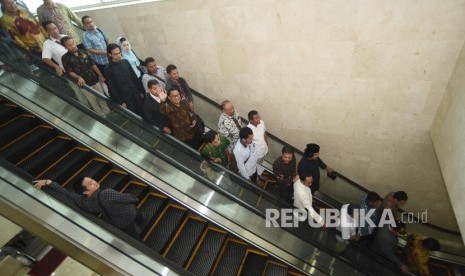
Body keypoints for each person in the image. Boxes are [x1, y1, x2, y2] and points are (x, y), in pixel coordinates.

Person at [33, 177, 140, 239]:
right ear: (85, 191)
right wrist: (134, 199)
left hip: (119, 223)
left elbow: (67, 193)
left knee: (133, 237)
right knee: (139, 221)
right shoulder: (107, 193)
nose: (94, 182)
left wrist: (49, 183)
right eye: (90, 184)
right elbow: (125, 199)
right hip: (130, 213)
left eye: (92, 180)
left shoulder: (83, 201)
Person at [61, 36, 110, 117]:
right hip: (84, 84)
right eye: (69, 45)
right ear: (65, 47)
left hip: (94, 79)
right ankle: (101, 116)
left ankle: (107, 113)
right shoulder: (65, 58)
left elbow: (92, 64)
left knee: (102, 98)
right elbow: (69, 71)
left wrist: (100, 75)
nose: (73, 46)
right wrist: (78, 77)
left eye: (73, 43)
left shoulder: (83, 51)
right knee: (93, 101)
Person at [104, 43, 144, 116]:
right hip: (126, 99)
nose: (118, 55)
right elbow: (112, 87)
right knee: (134, 117)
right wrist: (120, 102)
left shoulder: (125, 61)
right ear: (110, 54)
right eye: (115, 54)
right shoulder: (108, 69)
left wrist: (140, 91)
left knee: (142, 113)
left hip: (135, 93)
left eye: (119, 53)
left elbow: (134, 77)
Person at [247, 110, 268, 177]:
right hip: (256, 154)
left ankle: (259, 174)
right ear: (251, 120)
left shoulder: (261, 122)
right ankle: (256, 178)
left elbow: (264, 133)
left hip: (264, 150)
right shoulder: (248, 130)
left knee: (260, 164)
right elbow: (247, 144)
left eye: (259, 117)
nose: (259, 119)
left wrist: (266, 143)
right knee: (254, 167)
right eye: (256, 118)